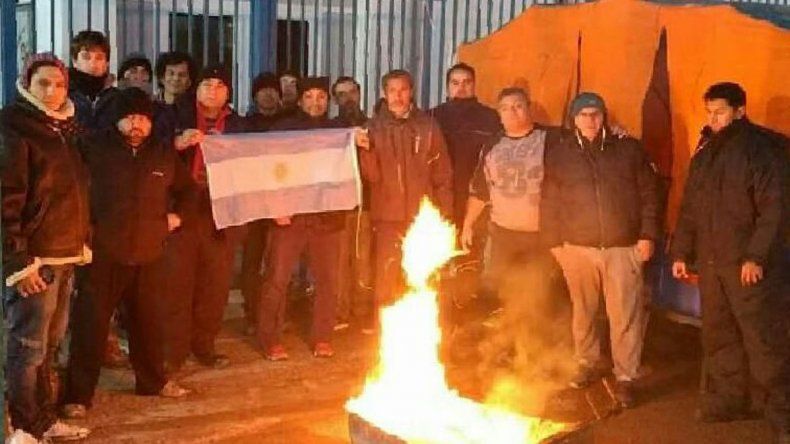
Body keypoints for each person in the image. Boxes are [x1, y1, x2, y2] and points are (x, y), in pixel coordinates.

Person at [62, 88, 194, 420]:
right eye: (129, 117)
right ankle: (77, 396)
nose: (136, 124)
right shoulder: (93, 149)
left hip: (149, 252)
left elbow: (189, 192)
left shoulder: (163, 154)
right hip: (102, 254)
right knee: (90, 326)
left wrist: (176, 217)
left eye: (143, 119)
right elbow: (71, 192)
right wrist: (84, 233)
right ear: (117, 119)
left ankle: (153, 381)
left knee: (149, 322)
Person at [670, 82, 789, 442]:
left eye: (720, 111)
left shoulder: (762, 149)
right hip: (712, 263)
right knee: (719, 335)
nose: (713, 118)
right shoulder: (706, 153)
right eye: (709, 112)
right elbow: (691, 207)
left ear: (739, 110)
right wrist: (681, 252)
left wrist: (755, 256)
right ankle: (728, 400)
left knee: (765, 340)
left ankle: (782, 414)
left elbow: (775, 210)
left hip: (748, 267)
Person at [542, 92, 660, 408]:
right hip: (576, 247)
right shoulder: (561, 154)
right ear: (574, 119)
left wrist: (647, 235)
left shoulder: (628, 149)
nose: (590, 121)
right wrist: (553, 242)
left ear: (604, 116)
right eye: (583, 115)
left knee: (625, 315)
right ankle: (587, 362)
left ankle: (626, 376)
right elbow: (549, 199)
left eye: (595, 114)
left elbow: (650, 194)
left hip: (623, 248)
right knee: (583, 312)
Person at [1, 52, 91, 443]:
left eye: (59, 84)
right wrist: (19, 263)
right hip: (36, 261)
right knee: (28, 347)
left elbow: (73, 192)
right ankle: (21, 425)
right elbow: (7, 199)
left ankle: (43, 419)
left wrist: (81, 240)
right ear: (27, 83)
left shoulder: (64, 128)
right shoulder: (15, 126)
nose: (52, 91)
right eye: (43, 83)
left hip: (65, 255)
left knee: (50, 346)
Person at [164, 65, 248, 372]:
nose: (213, 90)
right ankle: (174, 349)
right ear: (196, 89)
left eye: (220, 85)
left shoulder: (239, 124)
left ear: (228, 92)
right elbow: (154, 153)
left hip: (222, 209)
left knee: (215, 283)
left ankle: (204, 345)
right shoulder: (175, 116)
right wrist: (178, 143)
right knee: (179, 281)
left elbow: (255, 162)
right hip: (185, 206)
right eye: (207, 84)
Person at [356, 69, 453, 330]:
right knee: (386, 275)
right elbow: (371, 177)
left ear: (411, 92)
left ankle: (431, 330)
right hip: (388, 217)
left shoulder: (428, 126)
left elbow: (442, 173)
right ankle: (385, 332)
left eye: (403, 90)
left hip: (424, 217)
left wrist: (445, 213)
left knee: (427, 273)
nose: (398, 96)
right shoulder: (372, 128)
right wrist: (365, 152)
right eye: (392, 91)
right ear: (384, 94)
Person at [257, 77, 345, 360]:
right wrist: (275, 207)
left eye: (321, 97)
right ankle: (270, 339)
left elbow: (349, 172)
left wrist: (361, 143)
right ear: (300, 99)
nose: (316, 102)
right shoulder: (283, 129)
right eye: (310, 97)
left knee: (328, 280)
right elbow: (269, 171)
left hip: (327, 217)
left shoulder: (339, 131)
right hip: (290, 215)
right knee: (277, 278)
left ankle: (323, 337)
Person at [462, 87, 558, 304]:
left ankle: (530, 337)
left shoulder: (551, 140)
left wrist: (614, 132)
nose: (512, 112)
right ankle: (499, 337)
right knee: (495, 292)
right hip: (502, 235)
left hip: (539, 236)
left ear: (529, 108)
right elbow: (480, 189)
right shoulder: (492, 145)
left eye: (518, 106)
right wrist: (468, 224)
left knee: (535, 296)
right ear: (499, 114)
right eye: (505, 108)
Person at [431, 63, 501, 309]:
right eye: (455, 83)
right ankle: (442, 312)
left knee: (470, 256)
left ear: (474, 85)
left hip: (476, 200)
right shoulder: (433, 117)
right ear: (448, 87)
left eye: (467, 82)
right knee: (439, 257)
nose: (461, 88)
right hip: (440, 200)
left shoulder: (491, 118)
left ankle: (467, 309)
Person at [240, 71, 284, 335]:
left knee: (278, 263)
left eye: (272, 90)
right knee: (252, 262)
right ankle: (252, 314)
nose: (268, 95)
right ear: (255, 96)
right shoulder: (244, 126)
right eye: (262, 90)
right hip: (253, 205)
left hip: (281, 203)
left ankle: (276, 314)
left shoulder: (289, 124)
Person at [331, 76, 373, 331]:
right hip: (338, 205)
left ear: (359, 93)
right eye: (341, 94)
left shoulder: (373, 125)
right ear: (335, 100)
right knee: (339, 263)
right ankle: (339, 313)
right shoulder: (328, 130)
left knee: (364, 262)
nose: (347, 98)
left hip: (366, 204)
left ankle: (363, 311)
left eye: (351, 92)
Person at [68, 30, 119, 132]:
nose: (93, 63)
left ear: (107, 63)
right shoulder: (63, 94)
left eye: (99, 58)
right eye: (86, 57)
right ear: (74, 61)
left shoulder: (117, 98)